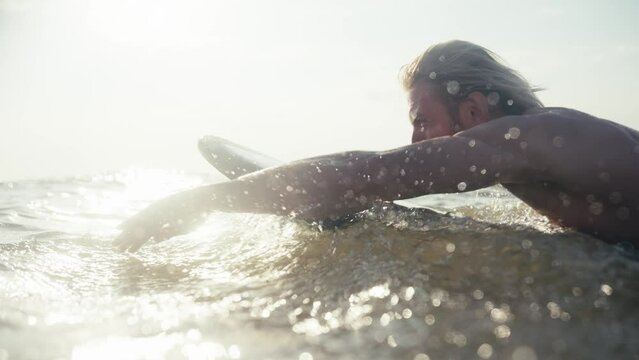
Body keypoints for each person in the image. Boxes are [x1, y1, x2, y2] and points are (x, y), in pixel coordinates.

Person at [115, 40, 639, 252]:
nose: (415, 139)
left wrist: (197, 201)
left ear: (474, 111)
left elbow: (368, 173)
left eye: (422, 120)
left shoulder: (534, 135)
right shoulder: (546, 150)